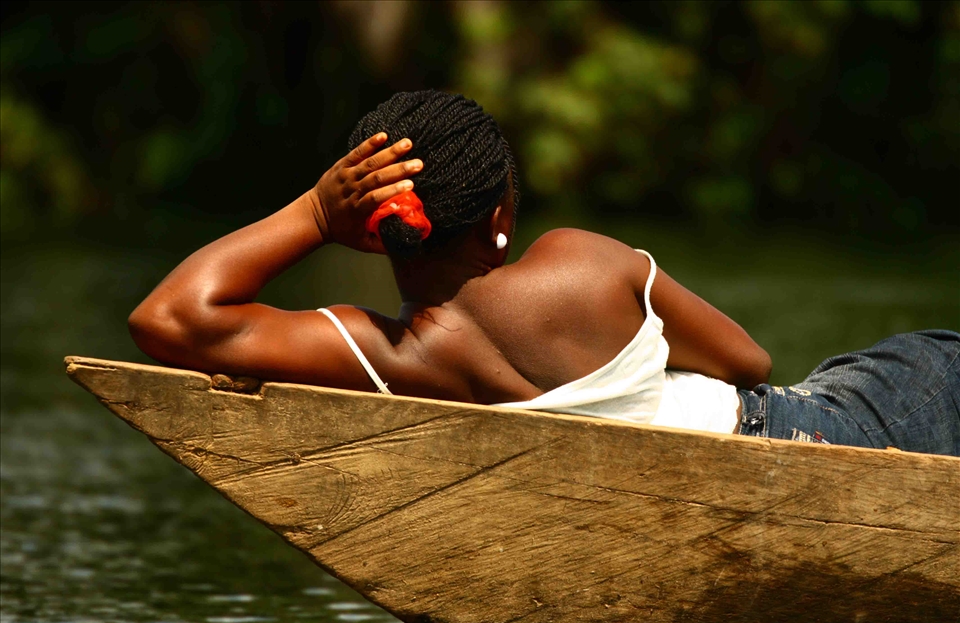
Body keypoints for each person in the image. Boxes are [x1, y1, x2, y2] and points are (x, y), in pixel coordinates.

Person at [128, 90, 959, 456]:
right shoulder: (585, 264)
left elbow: (170, 319)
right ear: (500, 221)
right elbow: (749, 365)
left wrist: (311, 213)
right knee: (925, 356)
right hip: (823, 428)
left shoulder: (397, 357)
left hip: (801, 440)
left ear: (374, 234)